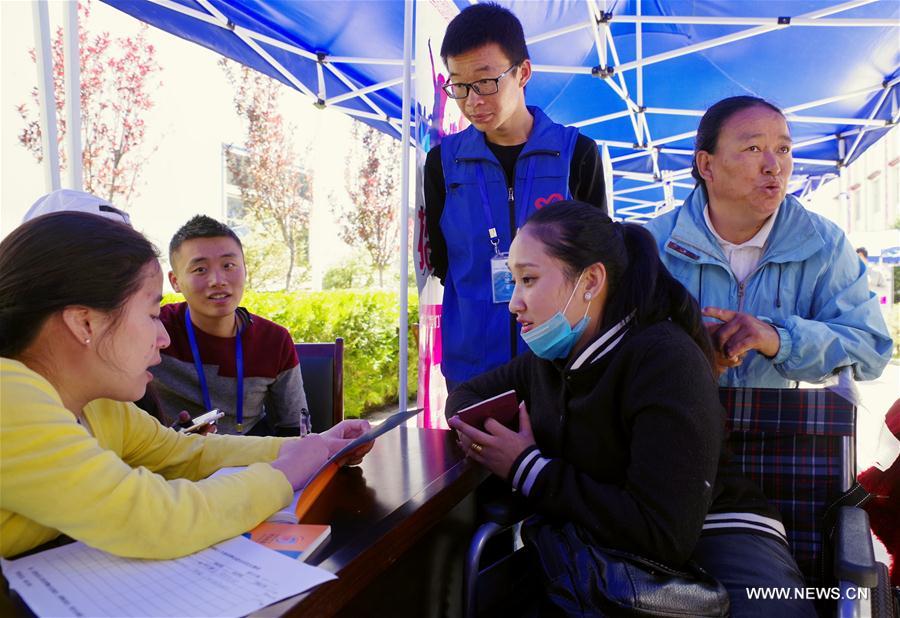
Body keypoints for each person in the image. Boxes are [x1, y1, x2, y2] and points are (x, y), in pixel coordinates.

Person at [447, 201, 814, 617]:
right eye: (512, 281)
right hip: (607, 543)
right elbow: (463, 401)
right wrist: (510, 445)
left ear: (591, 281)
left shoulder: (663, 359)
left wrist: (528, 468)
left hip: (719, 537)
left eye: (528, 280)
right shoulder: (548, 360)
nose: (514, 303)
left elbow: (662, 535)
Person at [0, 212, 372, 560]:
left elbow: (185, 452)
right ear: (84, 324)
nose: (163, 338)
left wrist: (317, 446)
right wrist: (281, 475)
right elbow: (155, 519)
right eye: (151, 314)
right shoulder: (10, 397)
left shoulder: (100, 406)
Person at [645, 96, 892, 387]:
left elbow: (870, 348)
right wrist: (688, 349)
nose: (773, 166)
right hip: (672, 424)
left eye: (783, 149)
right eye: (753, 148)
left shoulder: (824, 245)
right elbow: (611, 345)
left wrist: (781, 340)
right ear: (706, 165)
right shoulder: (653, 244)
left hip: (779, 425)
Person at [424, 2, 607, 391]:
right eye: (458, 85)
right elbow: (442, 262)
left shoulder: (577, 154)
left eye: (486, 81)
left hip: (563, 370)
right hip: (472, 372)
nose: (473, 100)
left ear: (523, 72)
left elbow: (601, 265)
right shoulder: (442, 164)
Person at [151, 215, 309, 436]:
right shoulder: (154, 330)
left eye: (229, 265)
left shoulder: (274, 340)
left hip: (249, 460)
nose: (218, 280)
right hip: (171, 460)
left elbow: (294, 430)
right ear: (175, 281)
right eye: (200, 269)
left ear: (245, 270)